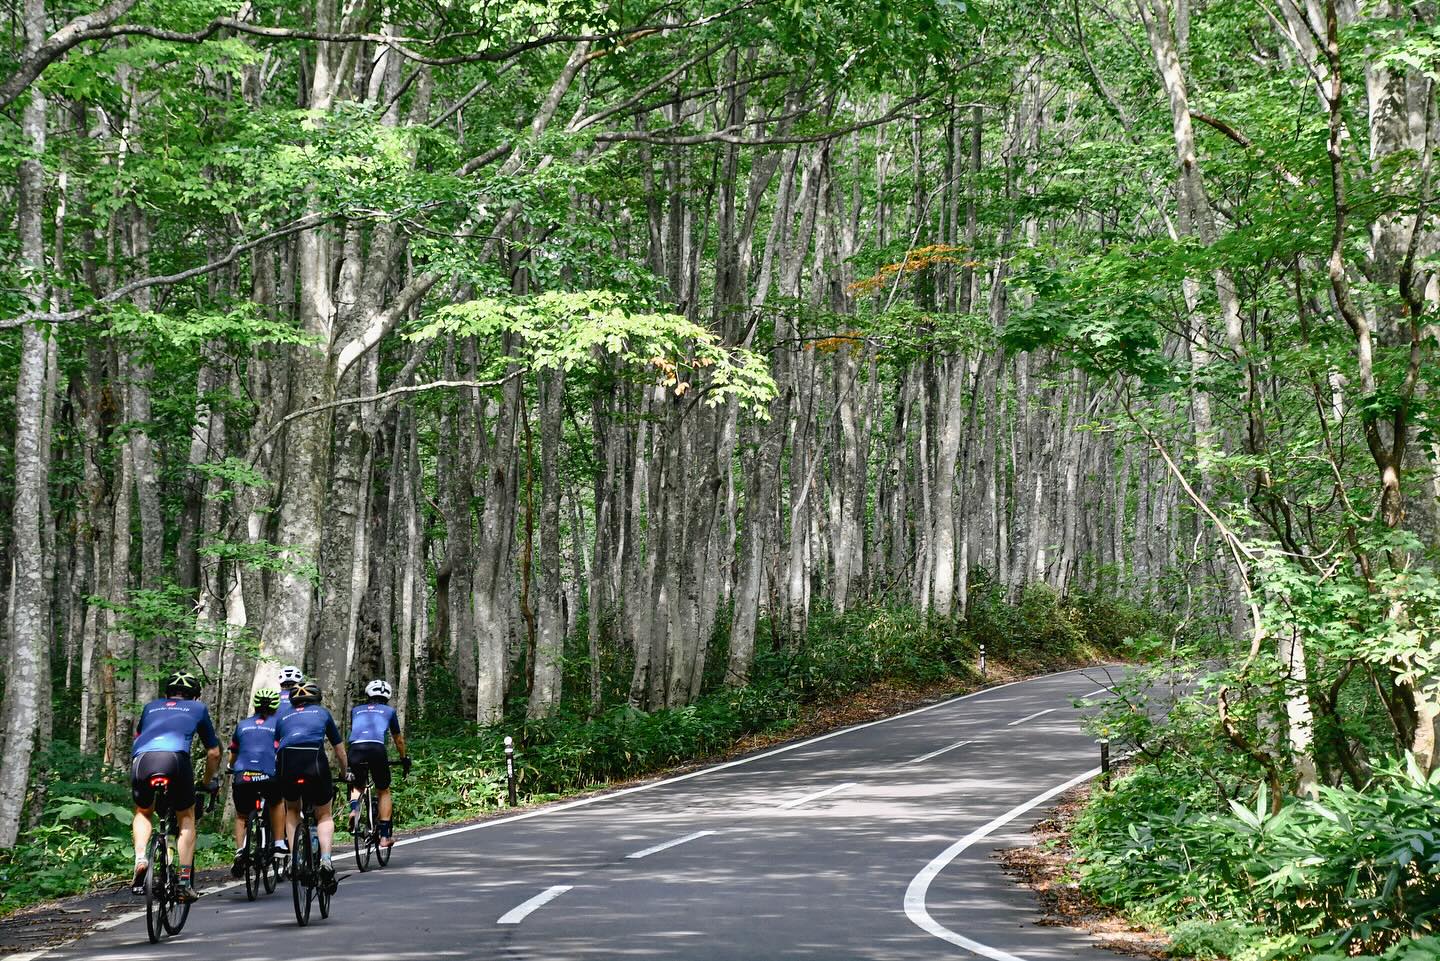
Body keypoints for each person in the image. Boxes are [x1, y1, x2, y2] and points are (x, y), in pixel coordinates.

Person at [130, 670, 221, 902]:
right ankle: (183, 880)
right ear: (195, 695)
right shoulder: (198, 709)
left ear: (167, 693)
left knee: (143, 811)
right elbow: (213, 753)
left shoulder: (151, 707)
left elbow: (138, 737)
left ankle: (141, 858)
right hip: (175, 760)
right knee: (186, 817)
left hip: (143, 760)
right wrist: (206, 782)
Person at [275, 680, 349, 894]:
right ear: (316, 699)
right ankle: (326, 860)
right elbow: (339, 750)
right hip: (314, 761)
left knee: (292, 809)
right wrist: (345, 772)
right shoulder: (322, 713)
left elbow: (276, 746)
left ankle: (294, 858)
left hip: (287, 763)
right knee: (324, 814)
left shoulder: (282, 716)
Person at [347, 680, 412, 848]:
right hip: (376, 749)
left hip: (355, 749)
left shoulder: (356, 710)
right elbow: (398, 739)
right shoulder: (389, 711)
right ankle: (384, 837)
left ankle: (354, 809)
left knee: (357, 785)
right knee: (383, 790)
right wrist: (404, 758)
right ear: (387, 697)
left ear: (368, 694)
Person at [228, 688, 284, 878]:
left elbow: (234, 753)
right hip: (268, 775)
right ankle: (278, 843)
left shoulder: (243, 725)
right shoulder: (279, 724)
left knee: (242, 815)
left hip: (243, 775)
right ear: (276, 707)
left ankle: (240, 850)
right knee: (277, 803)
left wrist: (230, 766)